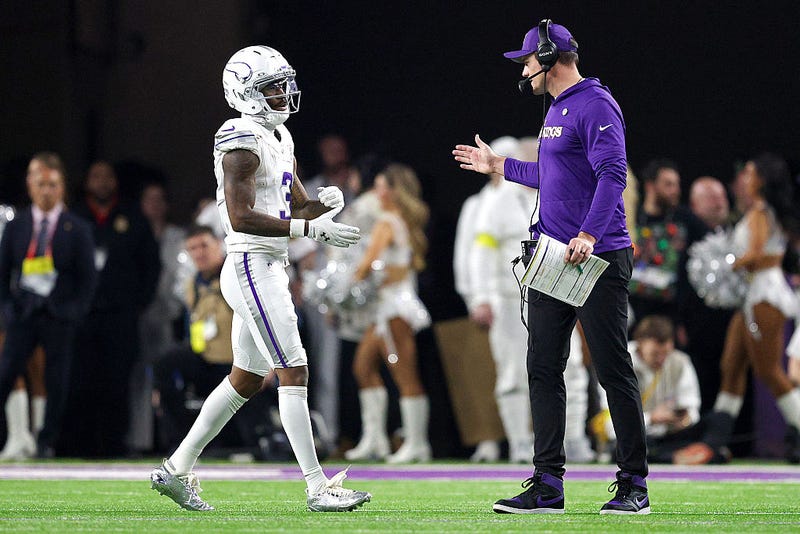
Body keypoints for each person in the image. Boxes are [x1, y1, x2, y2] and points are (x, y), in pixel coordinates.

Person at [149, 45, 370, 513]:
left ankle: (175, 468)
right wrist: (311, 227)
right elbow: (243, 216)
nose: (284, 93)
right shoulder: (239, 141)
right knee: (294, 369)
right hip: (251, 263)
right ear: (246, 94)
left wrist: (321, 206)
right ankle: (317, 486)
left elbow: (293, 205)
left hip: (268, 263)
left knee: (246, 379)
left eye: (284, 82)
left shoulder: (279, 135)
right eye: (273, 86)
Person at [453, 19, 650, 514]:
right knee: (542, 367)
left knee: (612, 370)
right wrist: (501, 167)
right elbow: (554, 175)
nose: (522, 68)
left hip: (596, 255)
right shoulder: (559, 108)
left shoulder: (595, 102)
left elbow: (613, 174)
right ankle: (547, 484)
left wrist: (588, 233)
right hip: (555, 258)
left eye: (526, 59)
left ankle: (633, 485)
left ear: (547, 55)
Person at [674, 153, 800, 465]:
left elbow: (758, 255)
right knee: (731, 367)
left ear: (762, 180)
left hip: (764, 294)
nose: (744, 177)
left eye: (751, 173)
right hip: (751, 295)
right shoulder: (757, 211)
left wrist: (725, 265)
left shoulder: (759, 211)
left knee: (769, 371)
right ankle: (715, 441)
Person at [60, 160, 161, 457]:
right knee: (81, 380)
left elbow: (150, 264)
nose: (102, 182)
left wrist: (139, 303)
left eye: (107, 176)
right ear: (87, 181)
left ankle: (115, 444)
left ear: (115, 182)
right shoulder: (74, 216)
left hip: (121, 315)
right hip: (83, 316)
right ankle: (81, 445)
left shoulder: (133, 215)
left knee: (118, 381)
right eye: (95, 176)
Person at [0, 152, 96, 459]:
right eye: (41, 184)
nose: (46, 191)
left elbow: (87, 279)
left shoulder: (76, 227)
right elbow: (3, 273)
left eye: (53, 185)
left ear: (62, 187)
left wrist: (73, 312)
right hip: (24, 314)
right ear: (30, 185)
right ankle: (13, 436)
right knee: (6, 374)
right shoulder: (17, 225)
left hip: (59, 315)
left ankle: (45, 441)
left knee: (56, 382)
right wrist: (8, 310)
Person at [344, 163, 433, 464]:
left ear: (395, 192)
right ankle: (375, 439)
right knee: (363, 367)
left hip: (394, 308)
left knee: (404, 373)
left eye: (382, 186)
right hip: (384, 307)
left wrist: (345, 283)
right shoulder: (398, 220)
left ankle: (417, 442)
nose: (377, 192)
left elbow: (367, 264)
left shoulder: (387, 221)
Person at [592, 316, 701, 463]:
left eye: (666, 353)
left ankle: (670, 455)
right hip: (636, 434)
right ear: (640, 345)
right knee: (624, 444)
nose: (661, 360)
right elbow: (610, 419)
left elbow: (693, 410)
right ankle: (674, 456)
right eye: (655, 354)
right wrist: (651, 418)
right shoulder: (619, 363)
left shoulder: (679, 361)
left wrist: (684, 419)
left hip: (669, 433)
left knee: (719, 420)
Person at [131, 182, 187, 454]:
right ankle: (140, 440)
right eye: (148, 199)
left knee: (166, 377)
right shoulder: (135, 232)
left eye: (159, 199)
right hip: (140, 314)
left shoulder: (178, 235)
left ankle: (169, 439)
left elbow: (183, 278)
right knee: (139, 378)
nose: (154, 205)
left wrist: (176, 309)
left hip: (168, 315)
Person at [628, 159, 707, 330]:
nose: (675, 191)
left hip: (672, 317)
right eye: (668, 185)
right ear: (650, 186)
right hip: (632, 315)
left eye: (677, 185)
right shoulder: (631, 216)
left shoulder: (685, 219)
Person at [683, 176, 735, 413]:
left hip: (731, 323)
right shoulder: (684, 238)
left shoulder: (737, 235)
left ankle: (734, 439)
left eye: (722, 197)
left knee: (734, 375)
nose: (719, 203)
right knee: (702, 381)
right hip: (697, 329)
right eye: (712, 198)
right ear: (694, 205)